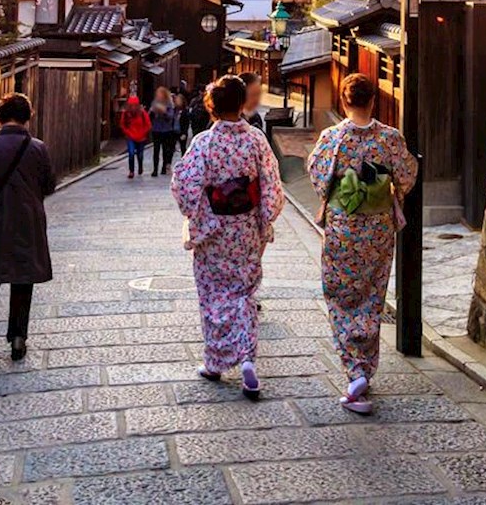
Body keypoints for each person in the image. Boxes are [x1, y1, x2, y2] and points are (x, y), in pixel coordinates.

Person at [306, 73, 418, 415]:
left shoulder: (332, 137)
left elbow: (317, 175)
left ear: (344, 101)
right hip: (378, 228)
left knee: (340, 294)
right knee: (371, 294)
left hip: (343, 226)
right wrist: (385, 191)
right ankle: (364, 369)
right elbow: (407, 174)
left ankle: (354, 370)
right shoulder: (389, 138)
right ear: (373, 101)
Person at [172, 75, 285, 400]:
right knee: (243, 294)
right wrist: (265, 218)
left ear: (212, 106)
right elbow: (271, 185)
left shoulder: (204, 143)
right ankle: (247, 359)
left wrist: (194, 213)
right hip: (246, 228)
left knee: (212, 294)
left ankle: (216, 362)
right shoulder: (256, 141)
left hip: (214, 230)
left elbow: (185, 186)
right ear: (240, 104)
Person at [0, 93, 56, 362]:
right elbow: (49, 185)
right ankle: (18, 339)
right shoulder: (38, 148)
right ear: (28, 116)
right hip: (27, 220)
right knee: (22, 278)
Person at [148, 85, 180, 177]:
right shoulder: (155, 102)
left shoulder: (169, 103)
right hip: (156, 129)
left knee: (165, 150)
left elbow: (171, 116)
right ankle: (155, 169)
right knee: (156, 150)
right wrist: (152, 112)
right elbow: (149, 116)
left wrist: (164, 111)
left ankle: (163, 168)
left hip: (166, 129)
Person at [119, 95, 151, 178]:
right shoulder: (126, 113)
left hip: (141, 138)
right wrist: (127, 132)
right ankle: (131, 171)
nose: (133, 107)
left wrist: (143, 133)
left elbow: (148, 125)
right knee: (131, 153)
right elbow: (122, 124)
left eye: (134, 105)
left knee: (140, 155)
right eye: (131, 105)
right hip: (131, 137)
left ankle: (140, 166)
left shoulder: (142, 113)